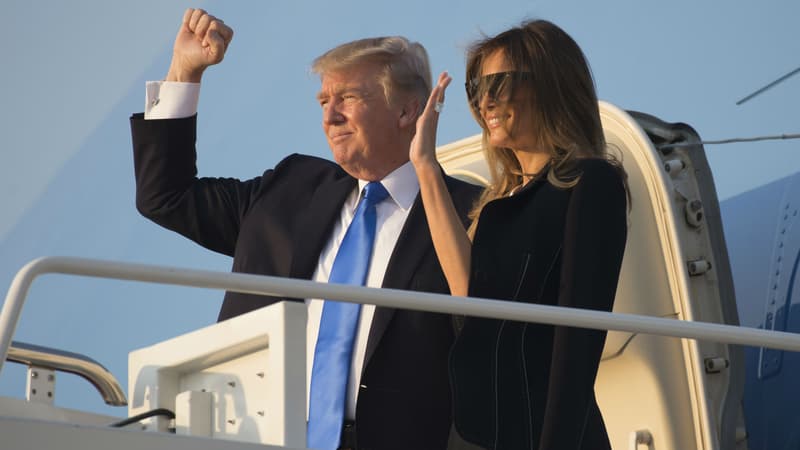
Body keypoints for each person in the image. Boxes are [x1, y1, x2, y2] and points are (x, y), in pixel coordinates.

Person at [130, 8, 480, 450]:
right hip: (262, 437)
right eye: (322, 101)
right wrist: (184, 70)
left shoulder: (469, 213)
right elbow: (166, 196)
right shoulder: (289, 189)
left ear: (408, 111)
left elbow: (489, 359)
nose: (329, 116)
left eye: (349, 98)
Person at [410, 20, 629, 450]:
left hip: (544, 435)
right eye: (477, 87)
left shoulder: (590, 182)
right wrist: (425, 167)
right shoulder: (497, 204)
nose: (485, 100)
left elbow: (577, 341)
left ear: (551, 86)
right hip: (479, 436)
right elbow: (468, 297)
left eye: (501, 84)